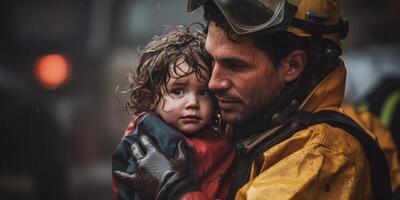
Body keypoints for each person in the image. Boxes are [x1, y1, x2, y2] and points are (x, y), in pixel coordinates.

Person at [114, 0, 393, 199]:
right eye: (212, 60)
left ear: (292, 65)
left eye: (236, 66)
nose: (213, 82)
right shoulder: (255, 121)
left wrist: (173, 190)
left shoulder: (325, 158)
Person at [112, 25, 235, 200]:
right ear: (151, 97)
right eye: (178, 91)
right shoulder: (151, 142)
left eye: (203, 92)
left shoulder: (221, 136)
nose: (192, 103)